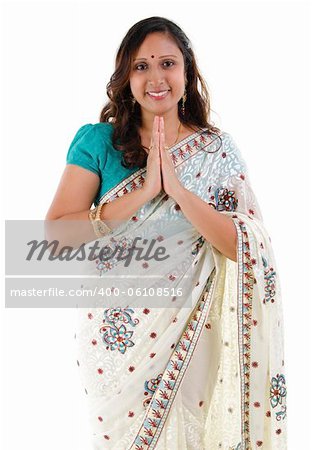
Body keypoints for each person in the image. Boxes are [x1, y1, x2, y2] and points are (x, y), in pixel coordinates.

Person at [45, 16, 287, 450]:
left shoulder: (217, 150)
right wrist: (145, 192)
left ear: (187, 72)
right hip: (115, 344)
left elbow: (244, 247)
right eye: (141, 66)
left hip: (194, 338)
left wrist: (178, 191)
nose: (156, 78)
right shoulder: (98, 142)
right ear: (126, 78)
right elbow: (58, 235)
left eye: (168, 64)